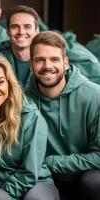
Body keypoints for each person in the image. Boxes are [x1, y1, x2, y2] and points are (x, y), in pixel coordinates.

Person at [0, 55, 58, 200]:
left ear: (9, 84)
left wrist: (8, 193)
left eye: (0, 82)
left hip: (36, 183)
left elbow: (30, 172)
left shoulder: (31, 117)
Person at [26, 31, 100, 200]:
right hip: (44, 177)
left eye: (54, 59)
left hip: (86, 175)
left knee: (96, 183)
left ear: (65, 62)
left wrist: (53, 162)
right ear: (31, 65)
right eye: (40, 60)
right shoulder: (23, 100)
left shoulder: (95, 96)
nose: (47, 66)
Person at [0, 5, 40, 87]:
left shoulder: (47, 60)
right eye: (15, 27)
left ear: (36, 31)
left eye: (27, 27)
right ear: (7, 32)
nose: (21, 32)